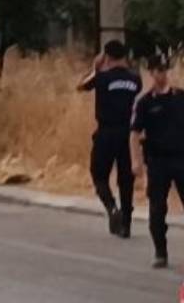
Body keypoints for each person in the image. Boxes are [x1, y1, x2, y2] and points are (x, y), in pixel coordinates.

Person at [76, 39, 140, 238]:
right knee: (126, 179)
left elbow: (80, 86)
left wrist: (96, 68)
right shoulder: (136, 79)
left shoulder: (102, 78)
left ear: (106, 57)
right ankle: (126, 224)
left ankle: (112, 208)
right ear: (125, 56)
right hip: (128, 134)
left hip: (106, 133)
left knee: (99, 174)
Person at [132, 55, 184, 269]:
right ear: (151, 73)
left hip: (181, 158)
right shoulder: (144, 103)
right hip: (158, 161)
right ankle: (160, 252)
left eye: (164, 70)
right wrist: (136, 161)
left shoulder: (180, 97)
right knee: (157, 209)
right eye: (157, 70)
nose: (161, 74)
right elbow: (134, 133)